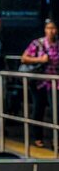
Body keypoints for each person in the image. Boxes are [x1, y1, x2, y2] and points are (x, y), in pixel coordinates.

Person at [20, 18, 59, 148]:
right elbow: (24, 58)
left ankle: (56, 140)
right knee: (38, 109)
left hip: (55, 82)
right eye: (48, 28)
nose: (51, 31)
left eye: (53, 28)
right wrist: (40, 59)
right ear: (45, 30)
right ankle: (38, 137)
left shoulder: (58, 44)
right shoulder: (38, 44)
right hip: (39, 82)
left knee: (56, 110)